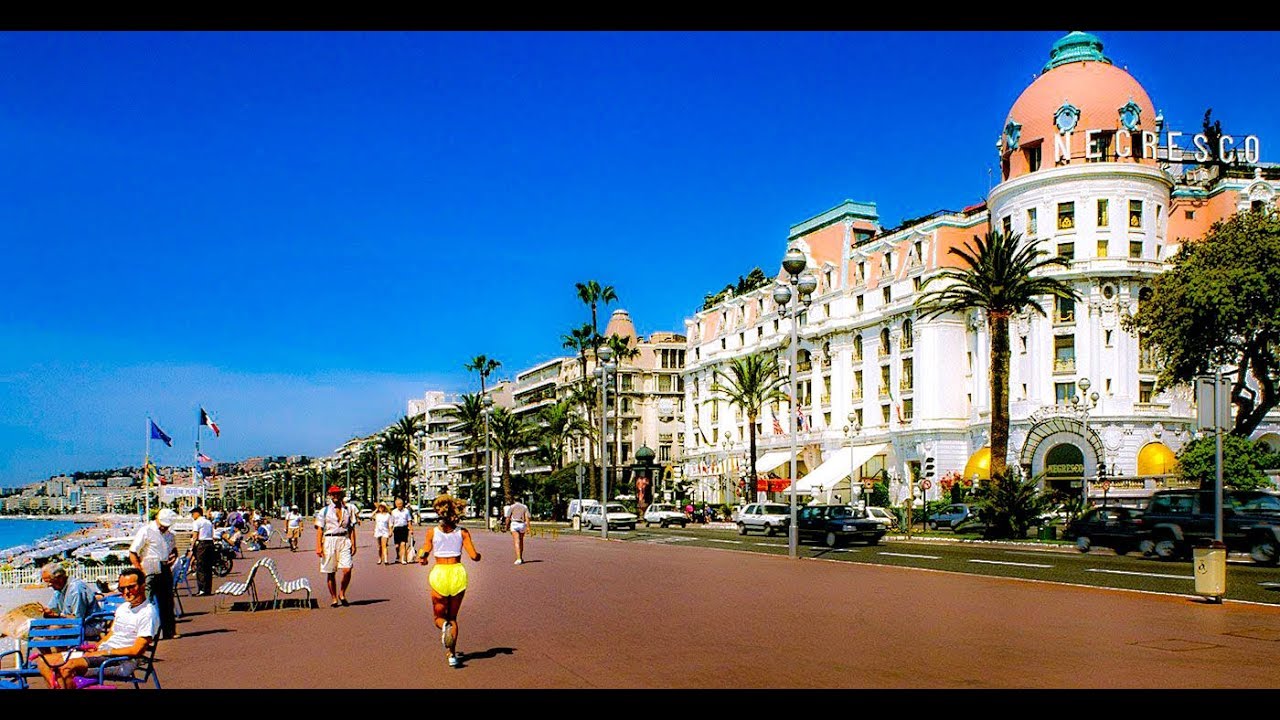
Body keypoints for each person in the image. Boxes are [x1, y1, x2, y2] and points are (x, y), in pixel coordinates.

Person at [35, 567, 159, 690]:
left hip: (121, 660)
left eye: (131, 587)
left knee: (66, 668)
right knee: (44, 662)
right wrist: (96, 647)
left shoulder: (147, 613)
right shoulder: (123, 607)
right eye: (122, 588)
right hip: (103, 653)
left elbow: (137, 650)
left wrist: (104, 652)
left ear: (143, 586)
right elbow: (111, 634)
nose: (126, 592)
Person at [417, 494, 481, 668]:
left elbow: (425, 552)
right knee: (453, 617)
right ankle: (452, 655)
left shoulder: (432, 532)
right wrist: (478, 556)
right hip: (457, 573)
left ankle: (443, 626)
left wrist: (421, 557)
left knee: (439, 617)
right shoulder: (463, 532)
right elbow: (474, 556)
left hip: (439, 573)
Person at [129, 507, 179, 640]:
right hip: (149, 568)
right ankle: (147, 634)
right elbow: (133, 552)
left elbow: (174, 550)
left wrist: (173, 557)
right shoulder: (146, 531)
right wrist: (140, 570)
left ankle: (169, 631)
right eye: (162, 525)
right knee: (148, 602)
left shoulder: (170, 534)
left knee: (167, 602)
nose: (164, 528)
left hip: (164, 567)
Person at [315, 485, 357, 607]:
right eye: (333, 494)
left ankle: (342, 593)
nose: (335, 496)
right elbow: (319, 529)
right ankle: (334, 598)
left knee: (347, 569)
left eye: (337, 494)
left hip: (344, 539)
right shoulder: (324, 511)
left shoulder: (348, 510)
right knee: (331, 571)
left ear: (340, 495)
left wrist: (354, 544)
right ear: (329, 495)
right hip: (329, 540)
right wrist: (319, 546)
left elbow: (352, 528)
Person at [189, 506, 215, 596]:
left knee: (201, 567)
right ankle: (207, 589)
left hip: (202, 544)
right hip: (210, 543)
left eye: (193, 513)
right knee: (208, 567)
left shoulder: (197, 522)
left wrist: (191, 547)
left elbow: (195, 536)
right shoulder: (208, 522)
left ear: (197, 513)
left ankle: (202, 589)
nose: (192, 515)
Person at [504, 498, 531, 565]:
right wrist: (528, 527)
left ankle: (518, 559)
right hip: (522, 524)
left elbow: (508, 517)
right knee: (521, 541)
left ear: (514, 500)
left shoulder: (512, 507)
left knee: (516, 541)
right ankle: (521, 557)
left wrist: (506, 526)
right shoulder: (525, 507)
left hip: (514, 524)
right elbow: (527, 517)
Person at [390, 498, 412, 564]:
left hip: (404, 528)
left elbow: (409, 520)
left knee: (403, 543)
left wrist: (411, 529)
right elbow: (391, 522)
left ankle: (403, 559)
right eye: (398, 504)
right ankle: (398, 555)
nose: (400, 505)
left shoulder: (406, 511)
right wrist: (390, 531)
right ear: (396, 504)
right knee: (397, 545)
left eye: (401, 504)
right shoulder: (393, 512)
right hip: (396, 529)